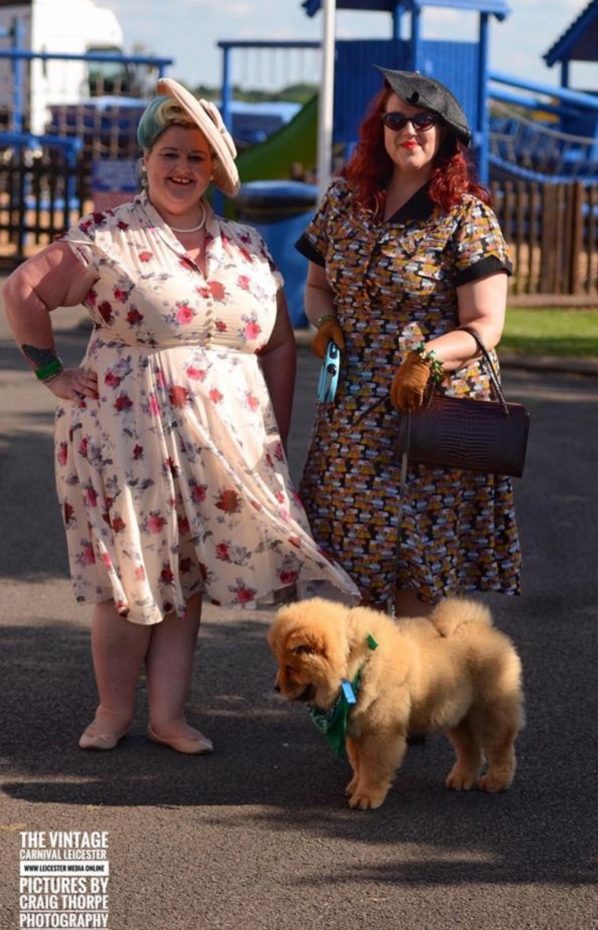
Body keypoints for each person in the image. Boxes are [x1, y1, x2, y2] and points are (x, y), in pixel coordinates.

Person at [3, 77, 359, 755]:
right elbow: (22, 289)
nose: (182, 168)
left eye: (197, 157)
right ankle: (113, 710)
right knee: (129, 574)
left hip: (222, 445)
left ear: (215, 171)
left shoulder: (247, 246)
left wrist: (272, 434)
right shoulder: (110, 236)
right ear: (146, 159)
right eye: (170, 152)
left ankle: (168, 715)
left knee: (186, 575)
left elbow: (281, 342)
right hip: (122, 433)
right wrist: (51, 372)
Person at [295, 65, 521, 618]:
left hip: (428, 410)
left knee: (417, 566)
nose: (409, 132)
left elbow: (487, 324)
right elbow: (317, 287)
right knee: (356, 565)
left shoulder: (467, 217)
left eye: (423, 121)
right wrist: (324, 324)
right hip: (349, 414)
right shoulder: (345, 201)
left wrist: (427, 357)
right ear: (381, 128)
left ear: (445, 135)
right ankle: (366, 699)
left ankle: (418, 699)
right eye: (396, 119)